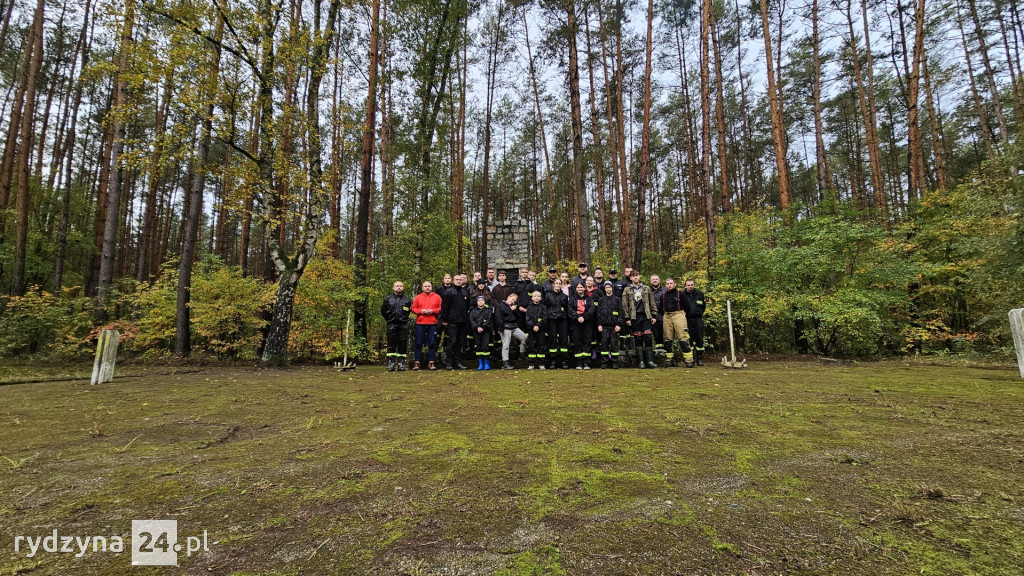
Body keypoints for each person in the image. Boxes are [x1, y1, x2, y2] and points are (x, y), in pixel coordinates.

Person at [622, 270, 658, 369]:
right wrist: (627, 318)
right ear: (630, 278)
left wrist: (654, 315)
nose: (636, 278)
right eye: (633, 276)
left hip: (646, 316)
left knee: (648, 338)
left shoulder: (646, 288)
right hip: (634, 317)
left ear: (639, 276)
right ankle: (641, 361)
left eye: (637, 276)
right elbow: (625, 305)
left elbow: (652, 302)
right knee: (638, 338)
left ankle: (650, 361)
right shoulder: (627, 290)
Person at [661, 278, 695, 367]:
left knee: (683, 337)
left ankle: (688, 360)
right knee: (668, 338)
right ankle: (669, 359)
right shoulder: (663, 295)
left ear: (675, 284)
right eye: (667, 283)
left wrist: (682, 314)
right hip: (667, 316)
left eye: (671, 283)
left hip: (678, 314)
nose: (669, 285)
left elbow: (687, 306)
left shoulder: (681, 294)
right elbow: (660, 307)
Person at [380, 281, 413, 372]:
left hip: (403, 325)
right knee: (391, 344)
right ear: (393, 288)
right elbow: (383, 311)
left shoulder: (407, 300)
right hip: (391, 324)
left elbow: (408, 311)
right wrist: (389, 319)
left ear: (403, 288)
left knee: (402, 344)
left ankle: (401, 363)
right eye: (397, 286)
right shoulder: (388, 299)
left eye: (400, 286)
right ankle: (391, 363)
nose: (399, 287)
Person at [440, 274, 470, 370]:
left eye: (460, 279)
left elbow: (467, 307)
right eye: (456, 279)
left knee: (459, 342)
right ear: (453, 281)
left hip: (462, 321)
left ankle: (457, 362)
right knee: (451, 341)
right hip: (451, 321)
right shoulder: (448, 292)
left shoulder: (465, 292)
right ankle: (448, 362)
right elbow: (444, 307)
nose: (458, 281)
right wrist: (444, 320)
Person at [410, 281, 442, 370]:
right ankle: (417, 362)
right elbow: (413, 308)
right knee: (418, 343)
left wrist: (433, 311)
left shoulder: (437, 297)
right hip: (420, 323)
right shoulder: (418, 297)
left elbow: (440, 308)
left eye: (429, 286)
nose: (427, 287)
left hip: (432, 323)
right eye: (425, 286)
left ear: (431, 287)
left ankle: (431, 362)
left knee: (432, 343)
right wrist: (421, 311)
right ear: (422, 288)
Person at [495, 293, 528, 370]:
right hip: (505, 327)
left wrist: (514, 310)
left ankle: (522, 353)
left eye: (514, 301)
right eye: (512, 299)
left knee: (525, 338)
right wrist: (500, 329)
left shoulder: (513, 307)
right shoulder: (500, 306)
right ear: (508, 297)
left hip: (514, 327)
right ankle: (505, 362)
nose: (513, 301)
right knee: (506, 345)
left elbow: (518, 317)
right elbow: (498, 318)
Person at [544, 278, 570, 369]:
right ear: (553, 285)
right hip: (552, 320)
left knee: (563, 340)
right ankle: (553, 361)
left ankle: (564, 361)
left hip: (562, 320)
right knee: (553, 340)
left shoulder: (564, 296)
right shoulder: (548, 295)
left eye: (560, 283)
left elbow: (567, 309)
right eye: (557, 283)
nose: (558, 285)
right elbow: (545, 308)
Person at [596, 281, 623, 368]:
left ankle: (615, 362)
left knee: (614, 344)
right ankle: (604, 362)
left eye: (609, 287)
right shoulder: (601, 300)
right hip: (604, 326)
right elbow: (598, 313)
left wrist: (619, 324)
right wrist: (599, 324)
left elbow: (620, 313)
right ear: (604, 289)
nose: (608, 289)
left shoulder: (617, 299)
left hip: (614, 326)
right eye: (606, 287)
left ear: (612, 288)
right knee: (604, 344)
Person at [569, 282, 596, 369]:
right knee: (577, 342)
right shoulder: (572, 299)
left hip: (587, 323)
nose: (579, 289)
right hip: (576, 323)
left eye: (581, 287)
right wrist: (577, 317)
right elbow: (570, 310)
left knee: (587, 342)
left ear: (584, 288)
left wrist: (584, 317)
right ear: (576, 288)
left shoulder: (589, 298)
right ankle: (579, 363)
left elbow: (592, 309)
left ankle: (586, 362)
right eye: (578, 287)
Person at [682, 278, 707, 366]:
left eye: (692, 285)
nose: (690, 287)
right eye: (688, 285)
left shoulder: (700, 294)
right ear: (685, 286)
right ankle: (690, 358)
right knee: (690, 339)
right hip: (687, 319)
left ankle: (699, 359)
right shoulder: (682, 294)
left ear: (694, 285)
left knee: (699, 338)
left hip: (698, 319)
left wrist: (699, 313)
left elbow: (703, 307)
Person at [524, 291, 548, 370]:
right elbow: (527, 318)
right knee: (531, 345)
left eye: (538, 296)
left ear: (541, 298)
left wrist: (538, 325)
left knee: (541, 345)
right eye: (534, 296)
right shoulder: (529, 307)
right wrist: (532, 326)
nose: (536, 297)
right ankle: (531, 363)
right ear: (532, 298)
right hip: (531, 330)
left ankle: (541, 363)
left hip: (540, 330)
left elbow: (545, 318)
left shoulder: (543, 307)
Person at [470, 295, 494, 370]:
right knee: (478, 346)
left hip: (486, 331)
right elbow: (471, 320)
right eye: (479, 300)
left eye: (482, 300)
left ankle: (486, 363)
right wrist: (477, 327)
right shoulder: (473, 311)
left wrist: (483, 327)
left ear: (484, 301)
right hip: (476, 331)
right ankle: (480, 363)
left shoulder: (488, 310)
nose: (480, 302)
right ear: (477, 302)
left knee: (485, 346)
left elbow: (489, 320)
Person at [650, 274, 666, 355]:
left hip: (665, 316)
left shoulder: (665, 290)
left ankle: (669, 356)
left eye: (656, 279)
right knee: (657, 336)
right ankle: (659, 354)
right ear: (650, 281)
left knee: (667, 336)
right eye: (653, 279)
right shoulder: (648, 291)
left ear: (659, 280)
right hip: (654, 317)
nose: (655, 280)